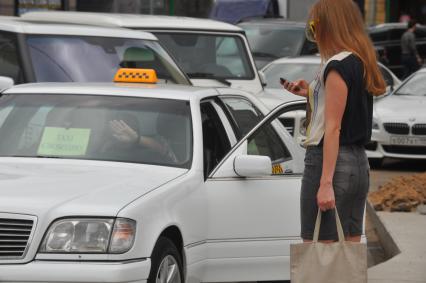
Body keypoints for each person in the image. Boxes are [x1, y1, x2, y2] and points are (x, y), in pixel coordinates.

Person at [281, 0, 386, 243]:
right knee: (347, 253)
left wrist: (325, 182)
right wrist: (311, 93)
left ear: (328, 26)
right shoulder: (359, 61)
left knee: (319, 250)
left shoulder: (336, 66)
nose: (313, 34)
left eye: (313, 26)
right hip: (358, 164)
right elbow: (349, 111)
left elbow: (334, 127)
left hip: (329, 163)